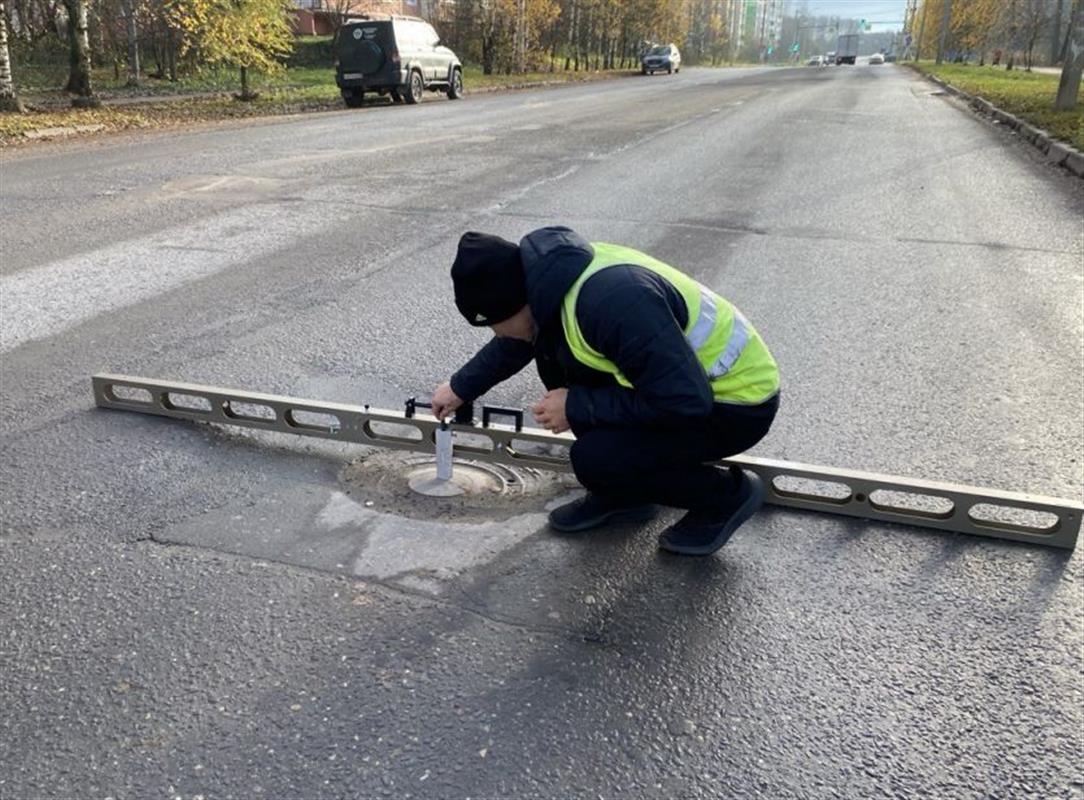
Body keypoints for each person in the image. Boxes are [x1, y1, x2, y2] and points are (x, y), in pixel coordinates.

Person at [431, 227, 780, 555]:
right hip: (681, 390)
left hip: (736, 403)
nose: (495, 332)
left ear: (518, 303)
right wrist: (460, 387)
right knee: (562, 365)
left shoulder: (613, 302)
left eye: (494, 322)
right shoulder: (547, 286)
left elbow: (684, 401)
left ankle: (725, 497)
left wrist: (578, 405)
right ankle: (627, 497)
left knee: (597, 455)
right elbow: (517, 341)